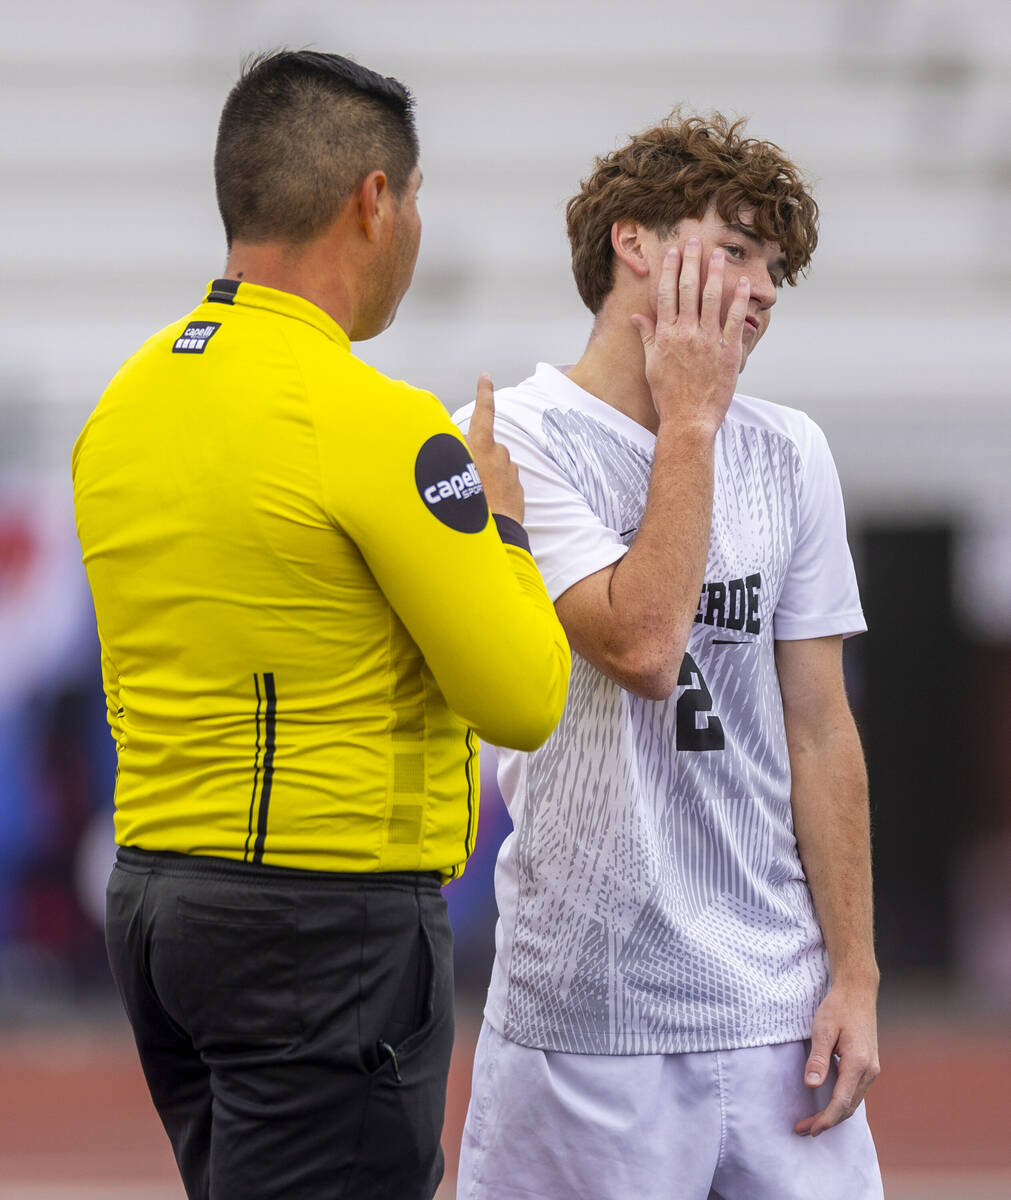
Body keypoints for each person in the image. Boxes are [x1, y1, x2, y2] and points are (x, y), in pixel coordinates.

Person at [71, 50, 570, 1200]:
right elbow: (524, 696)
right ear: (373, 200)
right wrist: (499, 525)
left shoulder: (125, 405)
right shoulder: (380, 426)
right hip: (320, 920)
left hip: (156, 909)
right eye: (418, 196)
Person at [453, 112, 882, 1199]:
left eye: (775, 267)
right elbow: (644, 643)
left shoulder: (791, 451)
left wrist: (857, 978)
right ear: (633, 244)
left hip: (778, 1014)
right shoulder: (516, 441)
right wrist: (690, 421)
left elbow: (821, 725)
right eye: (736, 250)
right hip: (590, 1015)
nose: (766, 288)